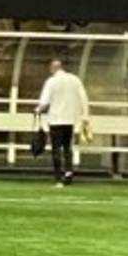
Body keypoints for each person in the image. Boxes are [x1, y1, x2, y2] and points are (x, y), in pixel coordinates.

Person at [36, 59, 91, 187]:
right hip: (70, 120)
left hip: (55, 120)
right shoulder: (74, 79)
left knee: (56, 149)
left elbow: (44, 102)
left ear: (52, 68)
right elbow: (83, 98)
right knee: (67, 148)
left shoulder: (51, 81)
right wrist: (85, 115)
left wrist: (37, 110)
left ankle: (58, 178)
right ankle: (69, 173)